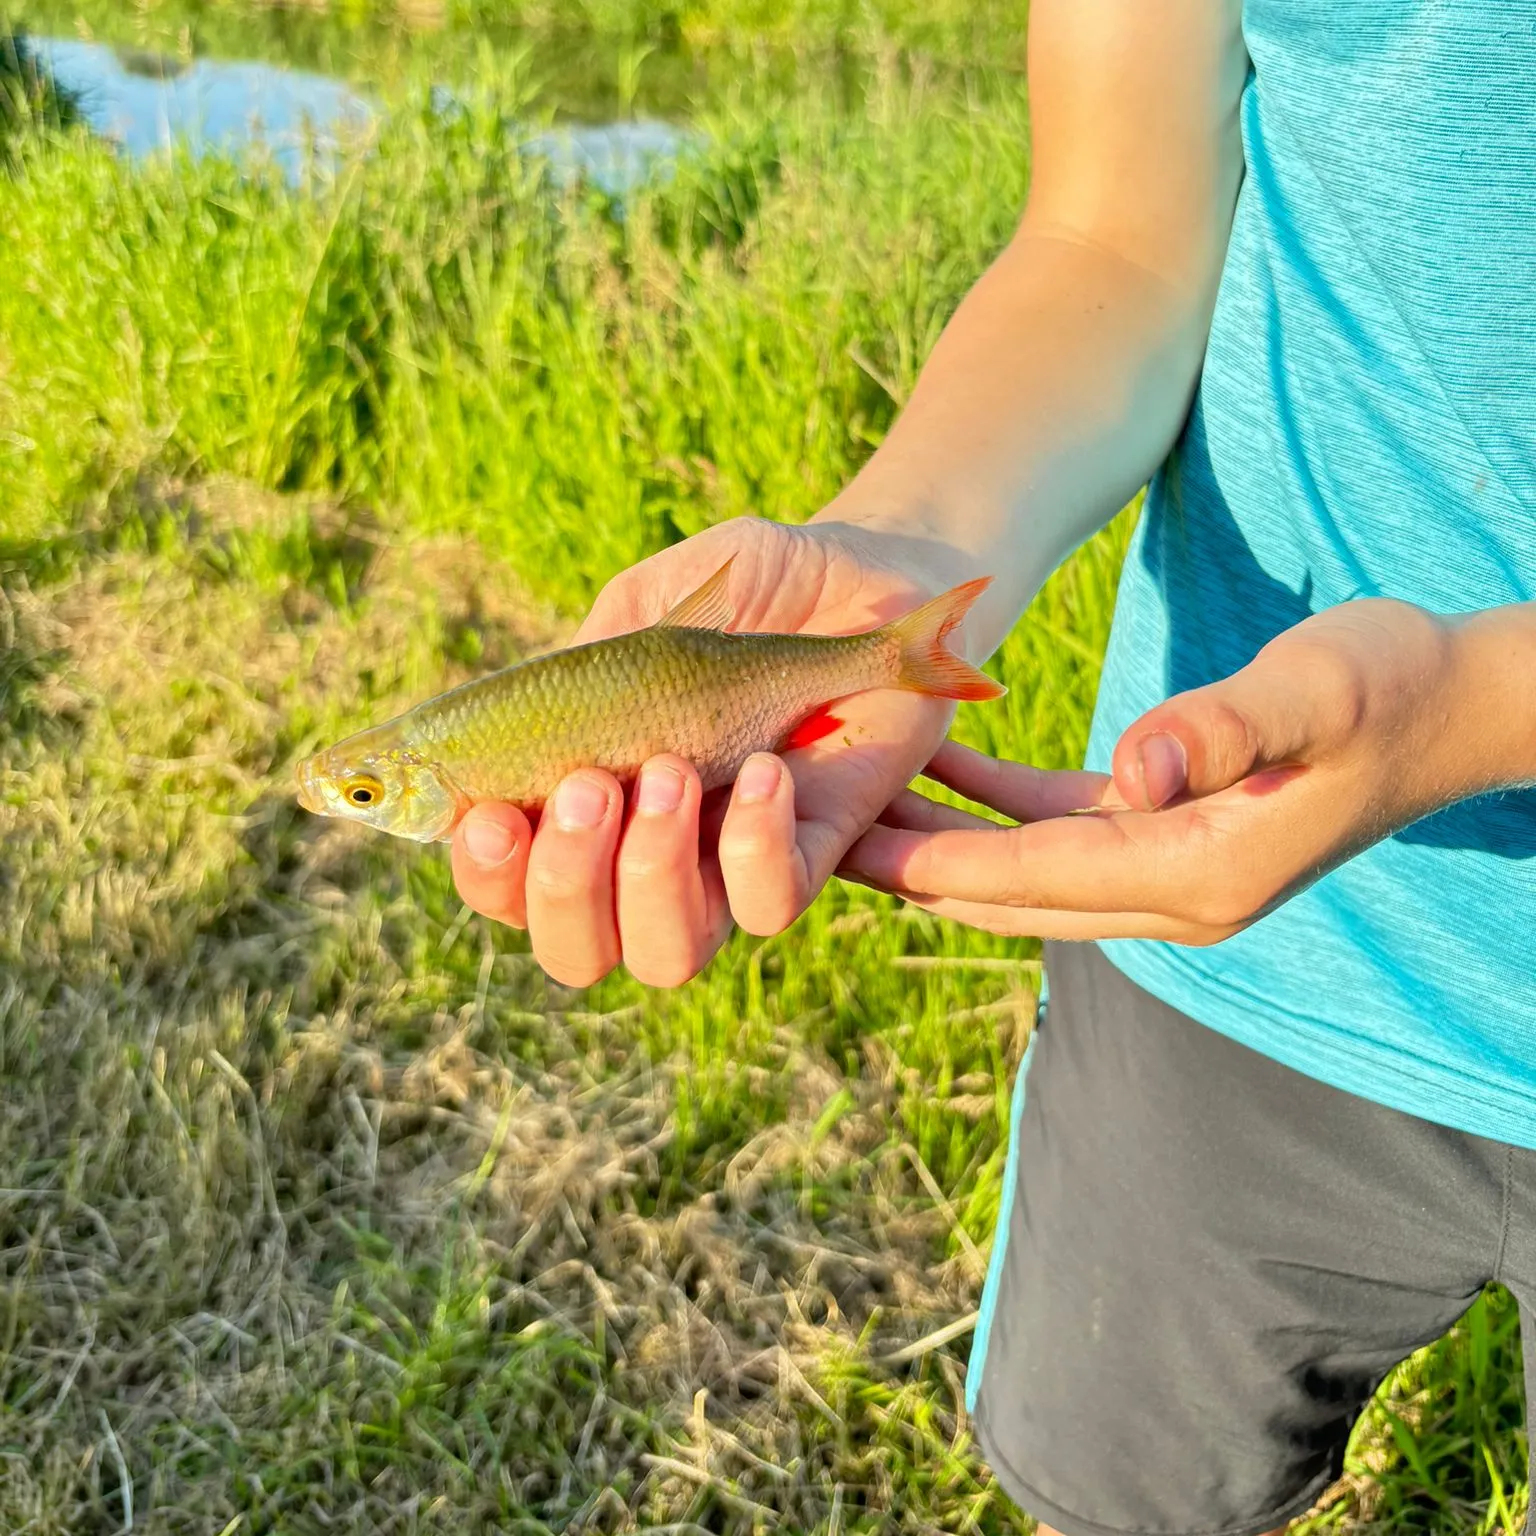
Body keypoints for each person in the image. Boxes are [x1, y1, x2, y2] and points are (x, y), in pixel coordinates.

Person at [449, 1, 1536, 1531]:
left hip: (1256, 814)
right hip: (1217, 937)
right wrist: (907, 552)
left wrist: (1479, 711)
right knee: (1117, 1483)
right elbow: (1112, 238)